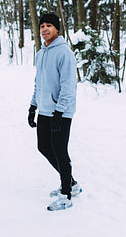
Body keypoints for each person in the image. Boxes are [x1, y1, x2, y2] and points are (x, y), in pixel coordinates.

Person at [28, 13, 82, 211]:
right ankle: (72, 183)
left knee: (60, 151)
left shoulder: (64, 52)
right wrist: (33, 106)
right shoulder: (41, 53)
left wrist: (59, 112)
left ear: (57, 29)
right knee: (44, 147)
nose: (44, 29)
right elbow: (38, 82)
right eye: (42, 25)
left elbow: (69, 85)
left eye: (49, 25)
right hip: (44, 109)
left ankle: (66, 195)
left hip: (61, 111)